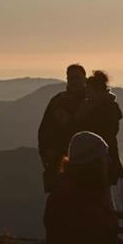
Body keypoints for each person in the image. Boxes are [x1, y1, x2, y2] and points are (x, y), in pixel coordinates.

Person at [44, 131, 123, 244]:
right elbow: (107, 236)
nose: (108, 161)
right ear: (93, 162)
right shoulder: (83, 197)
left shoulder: (63, 190)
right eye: (103, 157)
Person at [38, 64, 88, 192]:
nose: (74, 81)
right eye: (71, 78)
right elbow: (44, 130)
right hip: (59, 159)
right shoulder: (57, 102)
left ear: (84, 79)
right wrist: (45, 153)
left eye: (77, 78)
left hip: (87, 161)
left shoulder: (91, 102)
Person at [75, 71, 123, 186]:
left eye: (88, 89)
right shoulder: (91, 106)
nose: (86, 92)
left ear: (96, 90)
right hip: (97, 155)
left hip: (101, 156)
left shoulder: (107, 108)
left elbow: (109, 133)